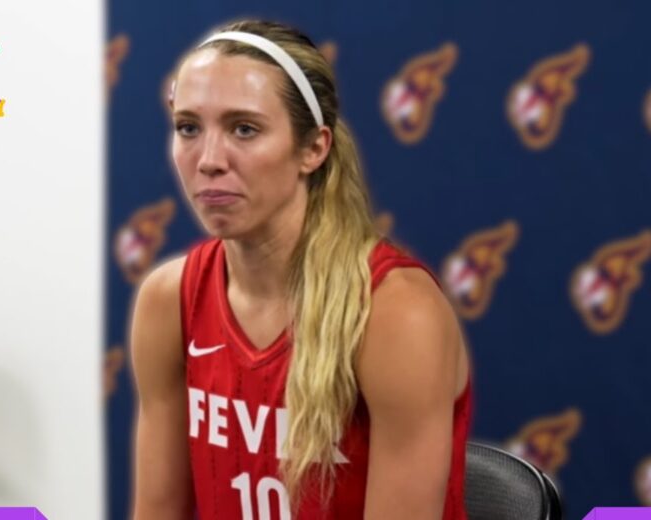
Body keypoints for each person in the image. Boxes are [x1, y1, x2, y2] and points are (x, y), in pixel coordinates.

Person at [130, 19, 472, 520]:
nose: (209, 160)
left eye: (244, 129)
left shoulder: (394, 312)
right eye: (188, 128)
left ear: (313, 148)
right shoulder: (168, 299)